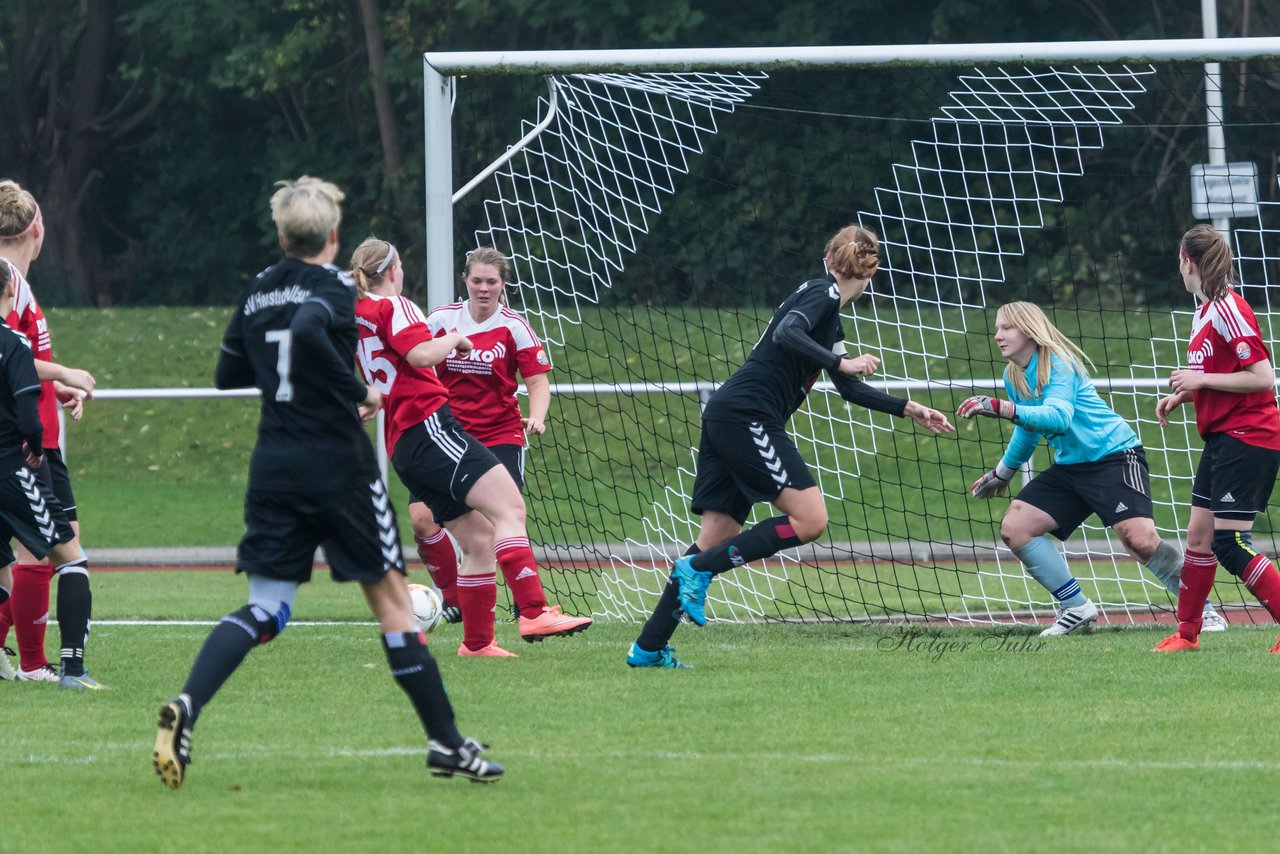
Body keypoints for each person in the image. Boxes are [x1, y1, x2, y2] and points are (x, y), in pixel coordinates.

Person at [152, 178, 501, 790]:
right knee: (393, 605)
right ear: (334, 237)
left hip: (275, 464)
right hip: (337, 467)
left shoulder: (259, 290)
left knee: (267, 607)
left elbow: (227, 371)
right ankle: (448, 745)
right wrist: (358, 390)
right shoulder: (336, 288)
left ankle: (188, 705)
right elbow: (313, 328)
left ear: (283, 236)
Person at [627, 224, 954, 668]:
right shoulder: (823, 295)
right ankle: (698, 572)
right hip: (747, 416)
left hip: (729, 414)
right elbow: (788, 335)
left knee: (715, 538)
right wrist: (842, 360)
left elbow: (850, 389)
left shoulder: (827, 309)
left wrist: (908, 408)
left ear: (827, 258)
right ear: (871, 271)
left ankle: (648, 647)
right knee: (810, 519)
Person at [350, 238, 590, 657]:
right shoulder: (397, 305)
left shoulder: (358, 313)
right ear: (392, 271)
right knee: (509, 510)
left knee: (479, 539)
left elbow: (388, 372)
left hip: (405, 441)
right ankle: (533, 610)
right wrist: (455, 341)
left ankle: (477, 643)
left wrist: (376, 401)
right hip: (432, 428)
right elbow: (422, 355)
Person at [957, 301, 1226, 637]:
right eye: (997, 328)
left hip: (1114, 456)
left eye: (1006, 328)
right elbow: (1028, 428)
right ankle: (1075, 607)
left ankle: (1203, 611)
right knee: (1016, 525)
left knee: (1139, 541)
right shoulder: (1014, 375)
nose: (998, 336)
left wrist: (1000, 407)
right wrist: (1003, 472)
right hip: (1071, 467)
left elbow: (1057, 417)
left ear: (1028, 329)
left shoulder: (1059, 363)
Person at [422, 248, 569, 632]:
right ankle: (453, 600)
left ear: (503, 284)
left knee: (502, 517)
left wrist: (536, 417)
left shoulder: (514, 325)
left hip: (499, 435)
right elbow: (416, 359)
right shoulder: (441, 320)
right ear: (465, 281)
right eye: (476, 281)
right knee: (422, 521)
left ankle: (529, 607)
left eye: (492, 282)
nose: (483, 288)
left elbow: (538, 382)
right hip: (447, 434)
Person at [1153, 224, 1280, 653]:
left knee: (1229, 542)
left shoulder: (1229, 307)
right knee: (1198, 537)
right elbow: (1221, 377)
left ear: (1188, 260)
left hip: (1250, 436)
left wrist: (1198, 378)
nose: (1179, 267)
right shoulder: (1203, 311)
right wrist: (1185, 395)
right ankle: (1187, 635)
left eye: (1179, 259)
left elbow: (1262, 377)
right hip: (1223, 437)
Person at [0, 179, 101, 689]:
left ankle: (25, 660)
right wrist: (62, 373)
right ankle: (42, 664)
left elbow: (18, 362)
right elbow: (8, 356)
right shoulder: (7, 283)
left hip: (30, 428)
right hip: (23, 444)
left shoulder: (18, 281)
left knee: (29, 552)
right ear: (37, 225)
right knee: (57, 550)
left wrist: (57, 386)